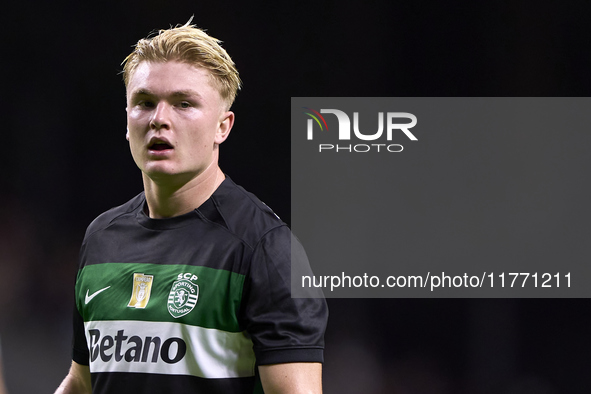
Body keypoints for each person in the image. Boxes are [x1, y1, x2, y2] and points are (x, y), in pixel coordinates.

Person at [55, 19, 327, 394]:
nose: (159, 119)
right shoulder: (102, 238)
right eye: (145, 103)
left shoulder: (265, 248)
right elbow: (81, 382)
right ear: (127, 119)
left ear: (223, 127)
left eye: (184, 104)